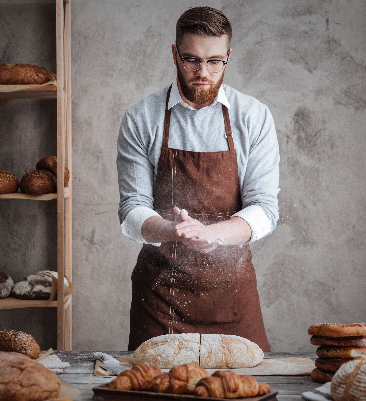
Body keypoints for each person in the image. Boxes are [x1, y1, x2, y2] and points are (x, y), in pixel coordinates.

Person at [117, 6, 279, 352]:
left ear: (228, 57)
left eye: (215, 61)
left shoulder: (253, 116)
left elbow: (265, 209)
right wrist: (171, 231)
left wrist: (213, 234)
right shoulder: (141, 118)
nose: (202, 72)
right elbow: (132, 209)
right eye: (191, 59)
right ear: (175, 54)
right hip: (161, 300)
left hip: (232, 297)